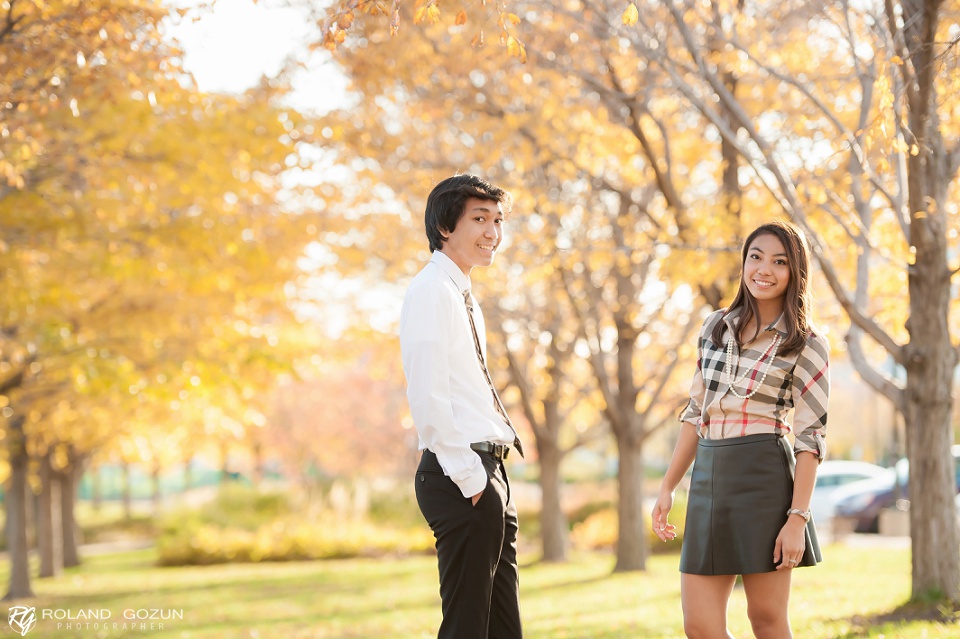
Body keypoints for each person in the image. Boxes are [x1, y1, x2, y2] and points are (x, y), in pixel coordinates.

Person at [651, 220, 829, 639]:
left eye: (779, 261)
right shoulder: (714, 327)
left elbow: (810, 439)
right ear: (744, 263)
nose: (764, 269)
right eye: (756, 257)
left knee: (765, 620)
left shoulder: (806, 342)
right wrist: (668, 485)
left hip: (764, 476)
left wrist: (796, 519)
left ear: (794, 272)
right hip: (709, 477)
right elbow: (696, 411)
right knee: (700, 626)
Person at [400, 174, 524, 639]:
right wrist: (471, 477)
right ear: (445, 226)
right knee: (468, 627)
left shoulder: (463, 294)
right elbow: (427, 395)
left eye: (498, 219)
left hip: (487, 470)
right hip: (461, 473)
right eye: (479, 218)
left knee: (502, 628)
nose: (493, 231)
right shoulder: (433, 290)